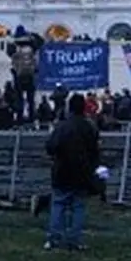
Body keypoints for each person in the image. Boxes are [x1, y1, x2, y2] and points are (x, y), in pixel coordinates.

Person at [44, 92, 100, 252]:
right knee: (78, 207)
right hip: (82, 173)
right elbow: (95, 151)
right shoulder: (89, 127)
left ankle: (54, 239)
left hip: (62, 171)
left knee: (58, 205)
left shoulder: (61, 127)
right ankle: (75, 240)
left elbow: (50, 147)